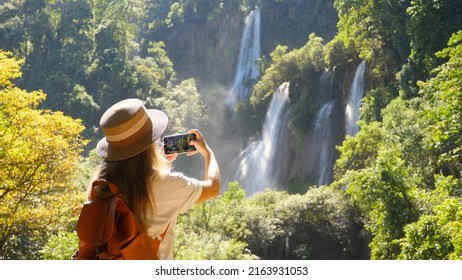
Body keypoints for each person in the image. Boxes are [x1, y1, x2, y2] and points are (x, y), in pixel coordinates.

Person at [89, 98, 220, 259]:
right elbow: (213, 187)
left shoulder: (100, 185)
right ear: (150, 142)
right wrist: (207, 152)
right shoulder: (169, 184)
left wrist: (160, 164)